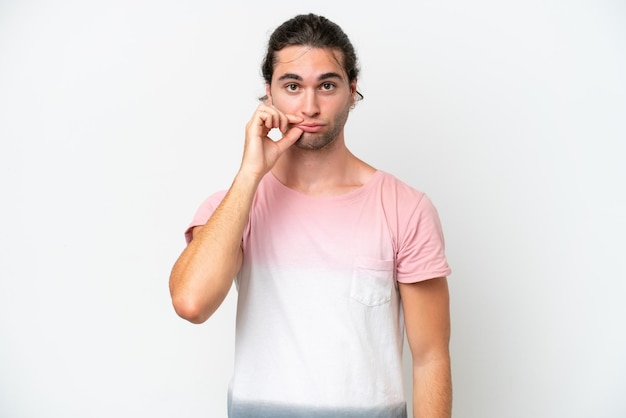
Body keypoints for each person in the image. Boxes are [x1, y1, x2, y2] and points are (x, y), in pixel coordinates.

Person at [169, 13, 452, 418]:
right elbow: (191, 303)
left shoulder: (405, 207)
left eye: (327, 85)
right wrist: (251, 174)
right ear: (269, 94)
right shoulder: (232, 206)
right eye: (292, 85)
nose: (309, 106)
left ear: (352, 91)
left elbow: (430, 359)